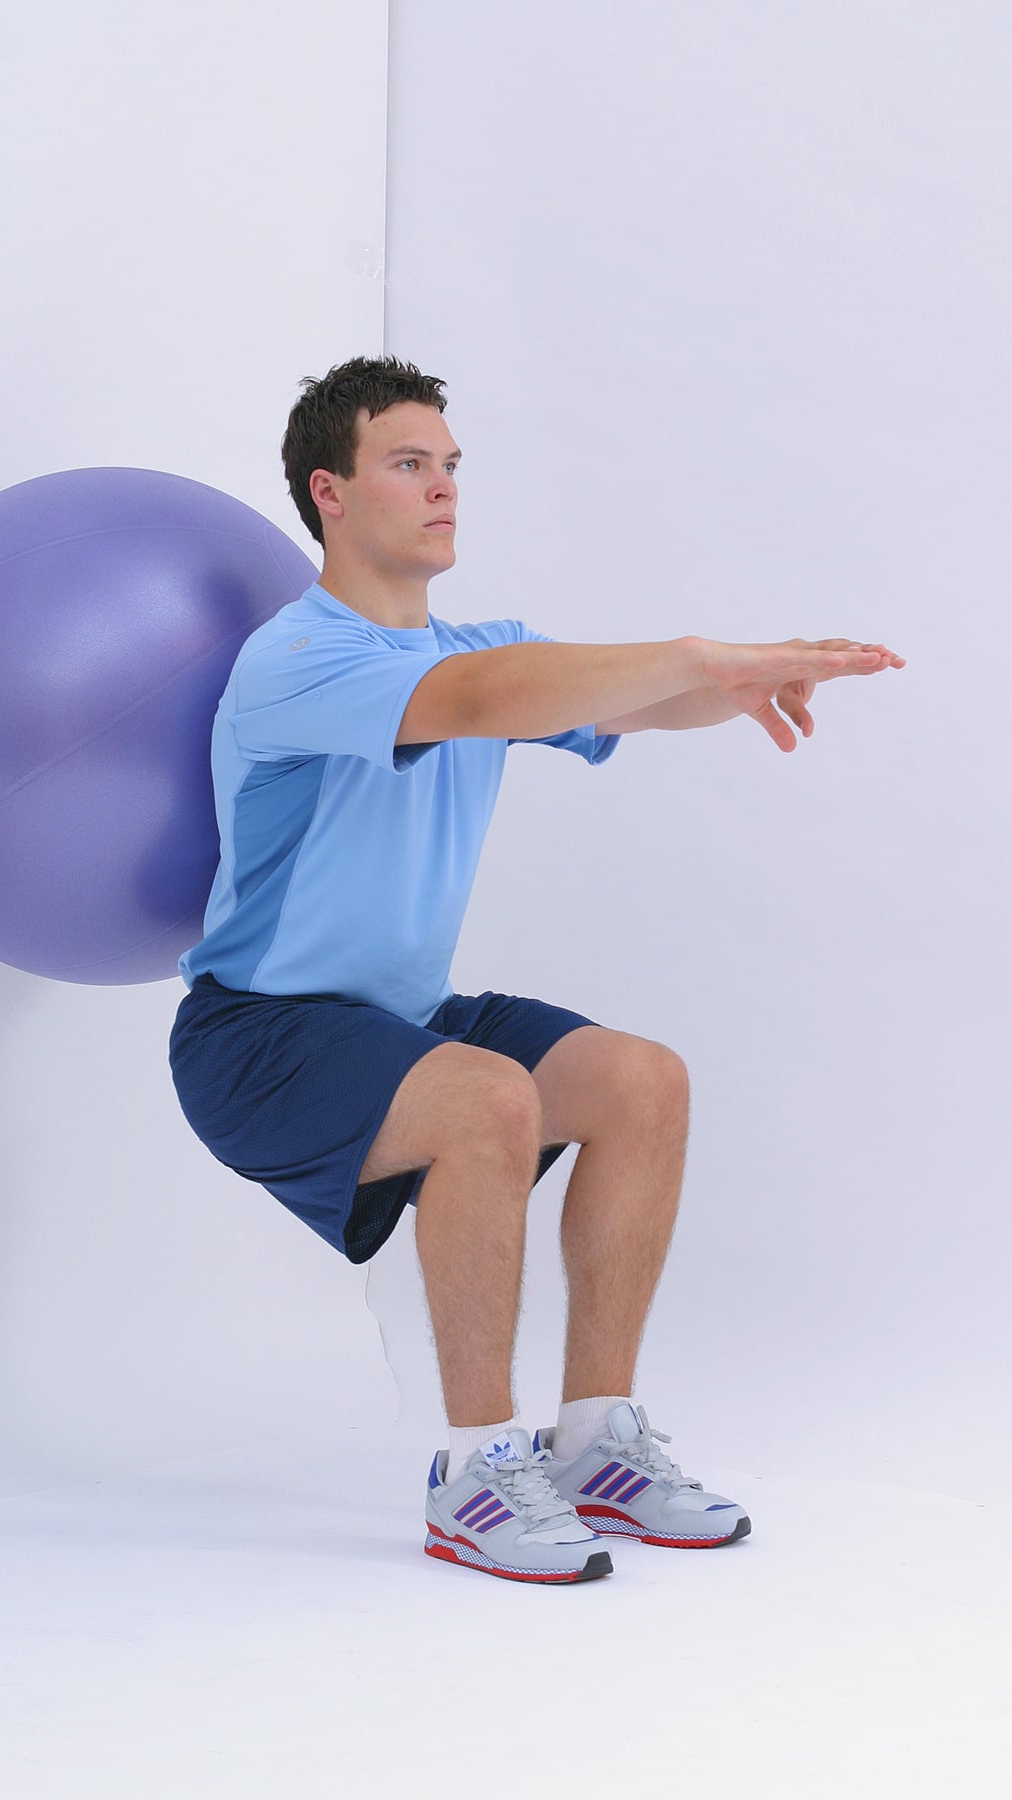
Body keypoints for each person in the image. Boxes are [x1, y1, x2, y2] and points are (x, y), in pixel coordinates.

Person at [169, 354, 905, 1585]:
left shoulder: (483, 644)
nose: (445, 488)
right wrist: (695, 650)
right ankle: (472, 1472)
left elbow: (611, 706)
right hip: (257, 1033)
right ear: (330, 493)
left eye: (453, 466)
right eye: (410, 463)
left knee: (641, 1083)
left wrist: (725, 686)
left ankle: (597, 1442)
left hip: (397, 1019)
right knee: (487, 1098)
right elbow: (485, 697)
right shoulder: (298, 662)